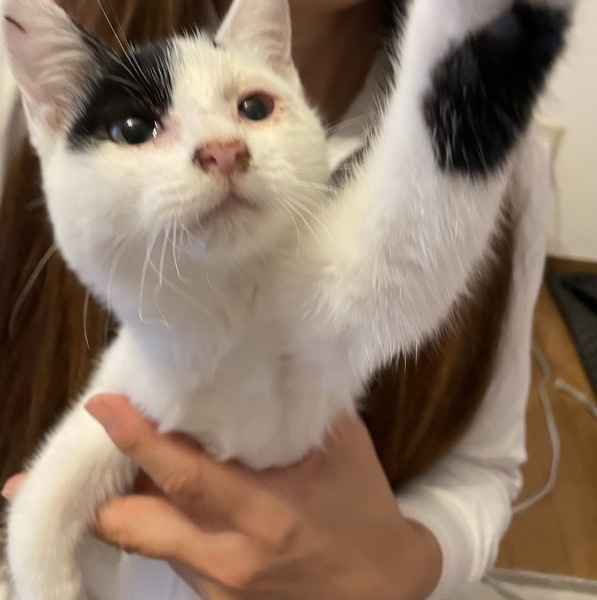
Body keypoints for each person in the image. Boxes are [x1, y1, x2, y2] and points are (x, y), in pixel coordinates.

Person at [0, 0, 554, 598]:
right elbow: (39, 521)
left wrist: (402, 567)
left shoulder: (318, 276)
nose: (223, 149)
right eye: (137, 130)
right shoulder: (144, 358)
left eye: (255, 109)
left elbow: (392, 276)